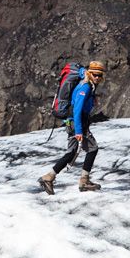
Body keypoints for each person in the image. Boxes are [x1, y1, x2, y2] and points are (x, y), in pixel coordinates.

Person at [38, 61, 105, 194]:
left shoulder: (89, 85)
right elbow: (77, 110)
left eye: (99, 75)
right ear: (89, 73)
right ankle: (84, 181)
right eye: (94, 74)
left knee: (71, 152)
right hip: (76, 123)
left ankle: (49, 177)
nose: (97, 77)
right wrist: (79, 131)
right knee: (93, 148)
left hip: (72, 123)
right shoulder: (85, 87)